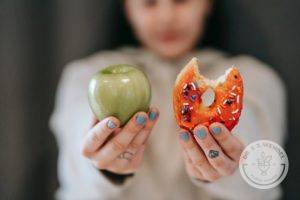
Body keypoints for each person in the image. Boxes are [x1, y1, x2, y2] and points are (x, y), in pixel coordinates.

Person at [49, 0, 287, 199]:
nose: (166, 17)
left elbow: (259, 171)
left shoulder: (256, 79)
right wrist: (103, 167)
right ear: (127, 7)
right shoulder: (82, 77)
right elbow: (76, 168)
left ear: (207, 4)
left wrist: (230, 165)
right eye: (149, 2)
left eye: (181, 0)